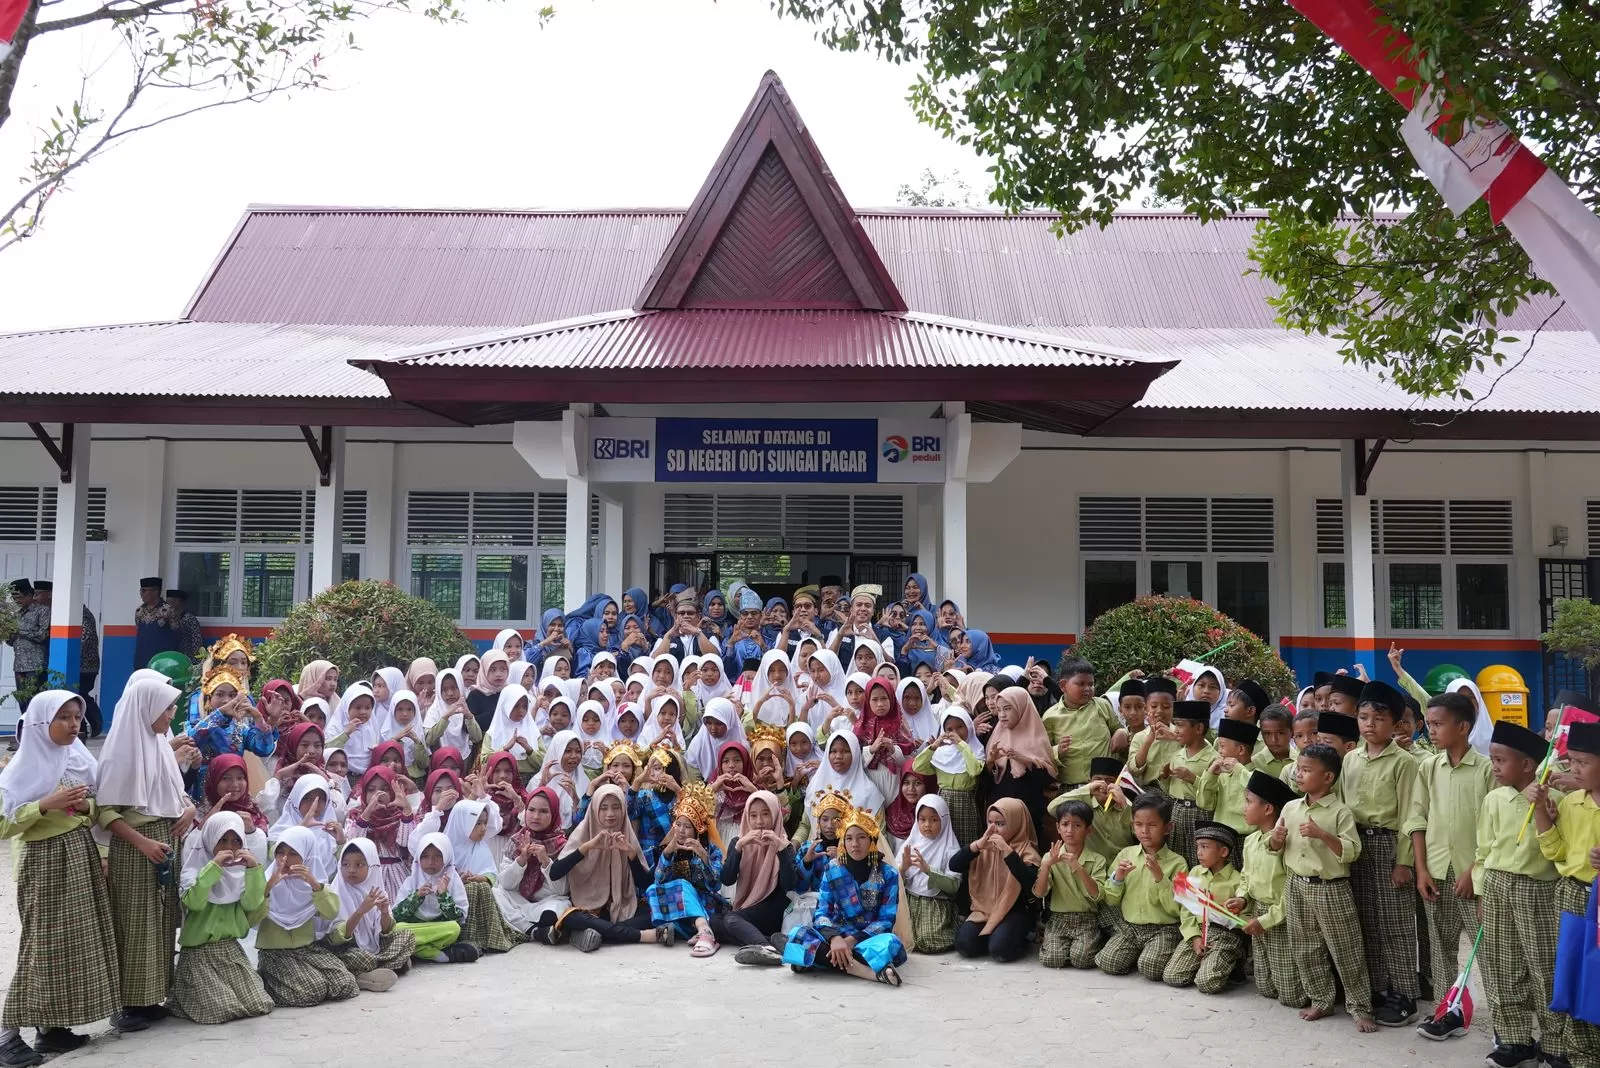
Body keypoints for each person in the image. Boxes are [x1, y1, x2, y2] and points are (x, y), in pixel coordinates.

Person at [0, 691, 116, 1066]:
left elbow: (91, 810)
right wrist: (42, 805)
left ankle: (51, 1029)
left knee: (66, 947)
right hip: (45, 862)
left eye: (77, 717)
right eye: (63, 717)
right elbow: (3, 824)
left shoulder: (73, 760)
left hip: (77, 855)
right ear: (40, 722)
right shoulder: (19, 771)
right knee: (40, 946)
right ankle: (6, 1036)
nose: (73, 725)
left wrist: (85, 805)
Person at [95, 674, 196, 1032]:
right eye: (166, 708)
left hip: (164, 841)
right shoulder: (120, 753)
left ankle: (151, 997)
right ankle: (128, 1004)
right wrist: (143, 843)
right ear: (146, 708)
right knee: (135, 924)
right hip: (137, 847)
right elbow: (104, 812)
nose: (171, 715)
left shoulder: (158, 746)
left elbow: (175, 793)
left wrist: (188, 809)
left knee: (161, 921)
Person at [1470, 720, 1561, 1065]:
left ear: (1527, 765)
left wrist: (1547, 812)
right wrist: (1482, 894)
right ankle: (1514, 1040)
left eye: (1500, 760)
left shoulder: (1554, 798)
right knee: (1503, 965)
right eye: (1492, 759)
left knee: (1543, 966)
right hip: (1497, 886)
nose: (1494, 767)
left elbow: (1558, 849)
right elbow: (1483, 850)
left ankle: (1555, 1042)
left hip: (1537, 890)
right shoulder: (1494, 799)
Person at [1405, 691, 1492, 1042]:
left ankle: (1507, 1027)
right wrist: (1421, 870)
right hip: (1436, 871)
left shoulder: (1487, 769)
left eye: (1438, 724)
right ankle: (1448, 1012)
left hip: (1476, 874)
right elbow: (1417, 818)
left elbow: (1493, 828)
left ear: (1463, 727)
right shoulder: (1428, 767)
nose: (1431, 730)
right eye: (1429, 724)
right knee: (1440, 948)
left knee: (1488, 950)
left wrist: (1475, 870)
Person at [1274, 742, 1376, 1032]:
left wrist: (1322, 834)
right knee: (1305, 946)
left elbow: (1352, 851)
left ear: (1328, 777)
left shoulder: (1340, 812)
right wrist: (1276, 839)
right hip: (1296, 884)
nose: (1299, 775)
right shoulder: (1290, 807)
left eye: (1307, 770)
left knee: (1346, 948)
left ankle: (1360, 1007)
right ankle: (1321, 999)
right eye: (1298, 769)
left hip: (1330, 887)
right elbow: (1275, 846)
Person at [1343, 680, 1421, 1027]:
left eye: (1379, 718)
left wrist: (1405, 862)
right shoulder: (1351, 759)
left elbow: (1410, 816)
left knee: (1396, 922)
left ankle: (1404, 994)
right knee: (1367, 919)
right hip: (1358, 844)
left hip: (1389, 844)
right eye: (1363, 718)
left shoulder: (1404, 762)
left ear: (1395, 723)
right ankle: (1377, 987)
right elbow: (1342, 806)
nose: (1370, 725)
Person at [1531, 720, 1600, 1067]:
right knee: (1575, 978)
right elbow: (1556, 851)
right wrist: (1541, 812)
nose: (1574, 769)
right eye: (1571, 760)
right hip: (1572, 897)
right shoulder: (1572, 803)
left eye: (1583, 762)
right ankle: (1581, 1054)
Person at [780, 804, 906, 986]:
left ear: (872, 839)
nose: (855, 844)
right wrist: (835, 939)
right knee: (797, 933)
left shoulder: (888, 874)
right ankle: (865, 971)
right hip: (835, 937)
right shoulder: (832, 869)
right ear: (843, 841)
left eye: (861, 837)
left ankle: (820, 960)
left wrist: (850, 941)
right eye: (849, 838)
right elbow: (822, 912)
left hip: (866, 939)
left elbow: (886, 920)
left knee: (890, 943)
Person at [170, 812, 274, 1025]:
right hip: (200, 955)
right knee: (223, 1009)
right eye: (222, 840)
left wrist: (254, 869)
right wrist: (214, 867)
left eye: (236, 841)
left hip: (230, 951)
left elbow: (252, 904)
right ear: (210, 840)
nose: (230, 847)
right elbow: (194, 903)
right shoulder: (195, 871)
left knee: (259, 1003)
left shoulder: (242, 873)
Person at [547, 783, 673, 952]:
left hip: (621, 906)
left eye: (616, 807)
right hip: (587, 908)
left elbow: (644, 883)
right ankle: (644, 936)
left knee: (655, 913)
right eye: (604, 808)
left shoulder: (626, 835)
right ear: (594, 810)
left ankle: (591, 934)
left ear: (623, 810)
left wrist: (630, 853)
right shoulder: (582, 834)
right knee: (571, 918)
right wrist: (588, 847)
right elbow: (555, 873)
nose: (610, 814)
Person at [255, 826, 359, 1008]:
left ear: (307, 855)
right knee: (310, 992)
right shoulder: (264, 881)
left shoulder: (313, 884)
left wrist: (313, 883)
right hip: (275, 954)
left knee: (345, 984)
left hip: (307, 950)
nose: (285, 859)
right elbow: (250, 919)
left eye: (293, 853)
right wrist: (268, 887)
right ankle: (267, 983)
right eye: (280, 852)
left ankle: (314, 981)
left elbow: (330, 912)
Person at [1240, 770, 1304, 1009]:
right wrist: (1241, 898)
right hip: (1257, 912)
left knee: (1291, 997)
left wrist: (1267, 920)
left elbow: (1292, 892)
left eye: (1248, 802)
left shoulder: (1287, 845)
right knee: (1265, 988)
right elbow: (1245, 877)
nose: (1243, 807)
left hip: (1280, 917)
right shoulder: (1250, 841)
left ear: (1268, 809)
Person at [952, 797, 1041, 962]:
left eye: (1000, 824)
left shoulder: (1026, 852)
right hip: (984, 910)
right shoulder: (984, 847)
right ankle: (994, 934)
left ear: (1015, 824)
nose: (993, 829)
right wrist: (976, 846)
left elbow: (1032, 883)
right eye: (990, 822)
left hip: (1014, 912)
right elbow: (954, 865)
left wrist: (1008, 852)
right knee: (965, 946)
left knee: (1000, 951)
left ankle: (1022, 937)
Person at [322, 839, 416, 990]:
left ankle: (369, 971)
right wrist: (361, 911)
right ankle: (376, 970)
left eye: (359, 865)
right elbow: (336, 939)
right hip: (346, 949)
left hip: (373, 949)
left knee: (407, 937)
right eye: (345, 864)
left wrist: (384, 912)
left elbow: (386, 932)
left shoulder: (377, 891)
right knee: (360, 957)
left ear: (372, 867)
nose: (351, 870)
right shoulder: (335, 893)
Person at [1162, 821, 1245, 993]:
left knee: (1207, 983)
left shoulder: (1238, 880)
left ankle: (1230, 963)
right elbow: (1186, 909)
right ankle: (1208, 964)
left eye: (1205, 847)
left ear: (1223, 852)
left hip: (1224, 935)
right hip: (1199, 931)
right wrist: (1194, 937)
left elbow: (1245, 918)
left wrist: (1233, 914)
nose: (1199, 852)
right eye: (1198, 846)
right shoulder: (1195, 872)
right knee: (1172, 976)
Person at [1036, 798, 1109, 969]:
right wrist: (1047, 866)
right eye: (1065, 824)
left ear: (1088, 830)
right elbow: (1039, 892)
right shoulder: (1049, 857)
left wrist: (1079, 867)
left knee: (1082, 960)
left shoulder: (1097, 859)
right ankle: (1063, 947)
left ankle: (1087, 944)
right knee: (1052, 959)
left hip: (1087, 918)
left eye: (1077, 825)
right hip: (1059, 918)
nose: (1070, 830)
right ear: (1058, 828)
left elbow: (1097, 895)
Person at [981, 686, 1059, 842]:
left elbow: (1047, 781)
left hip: (1028, 810)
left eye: (1007, 709)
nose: (1002, 715)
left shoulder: (1036, 738)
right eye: (999, 710)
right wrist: (990, 762)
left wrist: (1025, 760)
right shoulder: (996, 735)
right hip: (998, 812)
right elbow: (985, 783)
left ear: (1021, 707)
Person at [494, 786, 570, 944]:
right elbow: (506, 884)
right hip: (519, 900)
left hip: (548, 900)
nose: (536, 816)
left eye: (543, 811)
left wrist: (546, 861)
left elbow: (562, 890)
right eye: (531, 810)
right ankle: (533, 931)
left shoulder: (562, 845)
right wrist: (521, 860)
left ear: (554, 814)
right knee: (496, 893)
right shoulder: (517, 840)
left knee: (555, 911)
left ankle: (531, 927)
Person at [1041, 658, 1130, 790]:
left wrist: (1121, 732)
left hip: (1106, 784)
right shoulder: (1050, 717)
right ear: (1063, 685)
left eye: (1091, 684)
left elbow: (1118, 728)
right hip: (1071, 787)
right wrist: (1057, 751)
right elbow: (1042, 753)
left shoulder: (1102, 706)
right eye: (1081, 684)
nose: (1087, 689)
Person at [392, 831, 478, 963]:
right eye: (425, 856)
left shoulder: (453, 880)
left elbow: (458, 918)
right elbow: (397, 916)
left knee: (454, 928)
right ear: (418, 858)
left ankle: (415, 949)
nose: (430, 862)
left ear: (446, 857)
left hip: (440, 929)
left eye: (437, 856)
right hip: (416, 927)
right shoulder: (411, 881)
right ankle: (434, 954)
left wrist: (443, 896)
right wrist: (416, 896)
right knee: (397, 929)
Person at [1150, 700, 1216, 867]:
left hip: (1201, 813)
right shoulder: (1177, 755)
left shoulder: (1213, 759)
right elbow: (1169, 790)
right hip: (1178, 811)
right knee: (1177, 856)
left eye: (1180, 725)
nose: (1175, 731)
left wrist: (1194, 779)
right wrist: (1164, 777)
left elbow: (1216, 793)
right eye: (1175, 725)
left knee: (1200, 858)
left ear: (1198, 728)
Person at [912, 708, 985, 845]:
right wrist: (934, 746)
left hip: (965, 805)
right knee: (943, 842)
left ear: (969, 726)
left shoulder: (975, 750)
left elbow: (974, 771)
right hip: (943, 803)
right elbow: (918, 766)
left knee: (965, 843)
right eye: (949, 729)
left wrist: (962, 745)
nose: (955, 732)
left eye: (960, 727)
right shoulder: (941, 754)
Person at [1197, 717, 1257, 836]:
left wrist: (1239, 770)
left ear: (1241, 749)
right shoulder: (1222, 775)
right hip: (1221, 836)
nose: (1219, 751)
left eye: (1222, 746)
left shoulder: (1256, 775)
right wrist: (1211, 775)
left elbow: (1256, 787)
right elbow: (1204, 803)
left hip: (1245, 838)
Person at [6, 580, 47, 718]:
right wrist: (8, 633)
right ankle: (25, 725)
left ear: (30, 595)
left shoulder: (42, 611)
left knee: (34, 699)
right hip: (19, 665)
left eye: (19, 597)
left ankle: (36, 725)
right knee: (22, 699)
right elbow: (11, 642)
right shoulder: (17, 614)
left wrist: (20, 631)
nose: (16, 601)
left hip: (35, 665)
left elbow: (42, 635)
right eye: (14, 598)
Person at [132, 576, 177, 672]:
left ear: (156, 592)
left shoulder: (168, 610)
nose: (141, 594)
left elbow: (177, 634)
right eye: (141, 591)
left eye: (144, 591)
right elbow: (139, 630)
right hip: (142, 661)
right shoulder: (139, 611)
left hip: (162, 662)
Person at [163, 589, 203, 659]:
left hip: (186, 657)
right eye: (167, 602)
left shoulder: (189, 618)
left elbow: (196, 641)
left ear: (178, 602)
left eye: (170, 602)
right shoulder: (164, 618)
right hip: (169, 656)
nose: (167, 605)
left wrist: (197, 659)